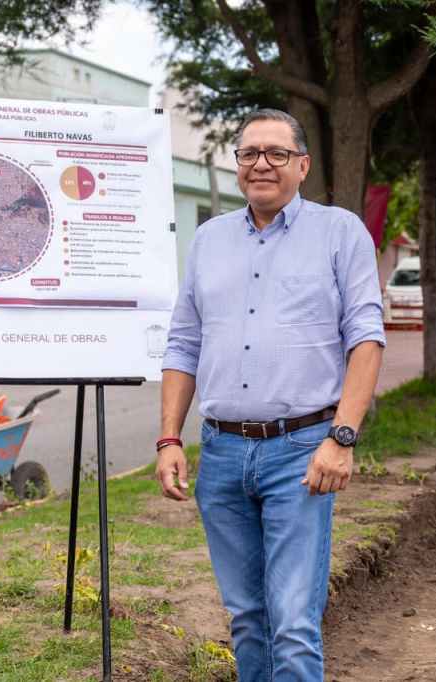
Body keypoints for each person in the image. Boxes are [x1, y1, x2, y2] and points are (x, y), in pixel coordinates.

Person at [156, 109, 386, 681]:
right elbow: (184, 344)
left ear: (302, 165)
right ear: (237, 166)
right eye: (249, 153)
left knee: (292, 622)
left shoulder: (339, 232)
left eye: (276, 153)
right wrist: (168, 438)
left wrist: (342, 437)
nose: (261, 163)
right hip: (223, 457)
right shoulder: (209, 241)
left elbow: (366, 338)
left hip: (302, 453)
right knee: (246, 617)